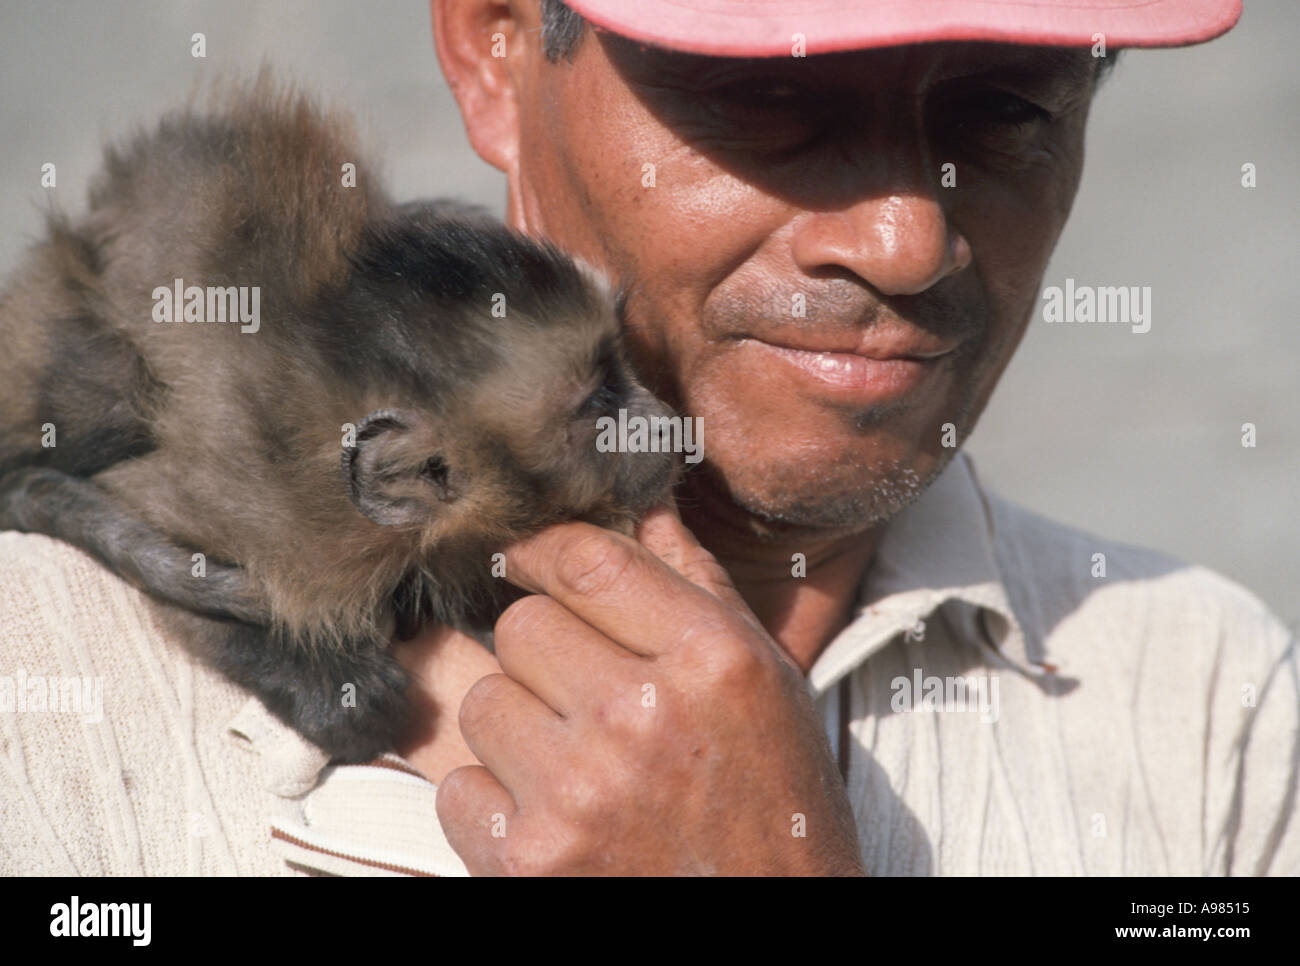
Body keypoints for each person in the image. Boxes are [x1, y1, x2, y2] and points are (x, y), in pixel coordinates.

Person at [2, 0, 1293, 876]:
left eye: (1009, 110)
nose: (906, 235)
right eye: (769, 94)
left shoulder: (1209, 722)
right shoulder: (46, 705)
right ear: (498, 50)